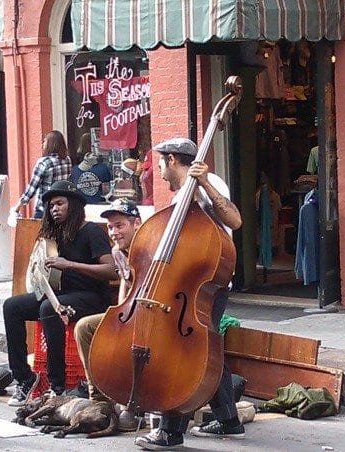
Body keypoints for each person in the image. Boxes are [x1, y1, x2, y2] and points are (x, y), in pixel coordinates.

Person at [134, 137, 245, 450]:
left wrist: (204, 183)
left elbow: (234, 220)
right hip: (189, 285)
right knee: (204, 348)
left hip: (206, 284)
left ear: (171, 160)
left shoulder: (210, 184)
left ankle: (170, 431)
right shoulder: (180, 197)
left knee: (180, 352)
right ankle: (228, 420)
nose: (160, 173)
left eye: (160, 165)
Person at [3, 180, 117, 406]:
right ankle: (25, 379)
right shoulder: (53, 236)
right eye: (51, 206)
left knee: (49, 309)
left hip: (91, 296)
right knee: (12, 306)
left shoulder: (91, 231)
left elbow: (111, 270)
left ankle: (58, 386)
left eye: (59, 203)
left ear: (73, 204)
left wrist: (70, 265)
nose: (54, 209)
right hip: (60, 295)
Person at [74, 198, 142, 431]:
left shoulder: (149, 247)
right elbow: (125, 282)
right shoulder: (118, 252)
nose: (114, 232)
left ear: (137, 224)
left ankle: (136, 402)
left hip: (152, 314)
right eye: (111, 227)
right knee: (85, 327)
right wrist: (120, 312)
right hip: (131, 312)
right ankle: (100, 400)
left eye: (120, 225)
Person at [10, 130, 72, 219]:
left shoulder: (44, 162)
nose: (43, 143)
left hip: (44, 209)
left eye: (45, 141)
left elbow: (32, 188)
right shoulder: (67, 160)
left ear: (50, 144)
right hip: (62, 209)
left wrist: (17, 207)